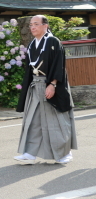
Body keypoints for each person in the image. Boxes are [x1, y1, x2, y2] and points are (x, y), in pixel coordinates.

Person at [15, 15, 78, 165]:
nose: (32, 27)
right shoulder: (32, 44)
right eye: (31, 25)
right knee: (33, 119)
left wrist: (53, 84)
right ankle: (30, 152)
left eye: (36, 24)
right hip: (36, 85)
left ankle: (64, 153)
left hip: (51, 84)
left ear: (45, 26)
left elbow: (59, 64)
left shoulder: (52, 41)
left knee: (57, 120)